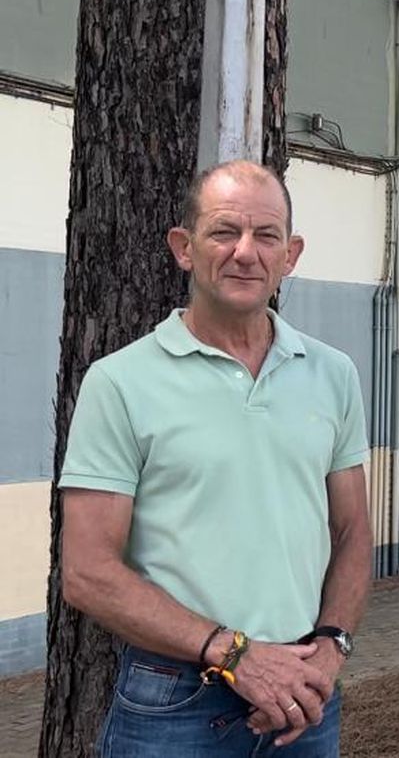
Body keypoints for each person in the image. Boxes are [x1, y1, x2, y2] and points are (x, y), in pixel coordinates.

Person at [60, 160, 373, 756]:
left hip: (303, 694)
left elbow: (353, 530)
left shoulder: (333, 375)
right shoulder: (120, 382)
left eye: (267, 235)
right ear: (184, 247)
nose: (245, 253)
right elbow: (87, 571)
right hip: (176, 701)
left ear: (291, 255)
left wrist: (332, 648)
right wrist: (236, 655)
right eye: (224, 232)